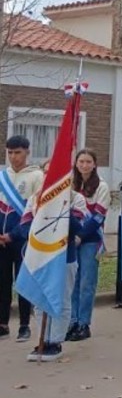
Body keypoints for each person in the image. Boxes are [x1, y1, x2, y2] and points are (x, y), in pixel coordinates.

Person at [10, 161, 86, 362]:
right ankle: (42, 338)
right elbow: (24, 226)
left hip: (64, 257)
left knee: (61, 297)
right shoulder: (35, 199)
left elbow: (79, 227)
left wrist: (62, 206)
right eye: (46, 173)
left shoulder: (76, 199)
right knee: (40, 298)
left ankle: (56, 341)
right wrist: (38, 235)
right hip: (39, 257)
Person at [0, 135, 43, 341]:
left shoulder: (36, 176)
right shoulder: (2, 176)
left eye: (17, 152)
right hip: (1, 239)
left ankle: (24, 325)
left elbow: (35, 212)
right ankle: (2, 323)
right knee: (2, 281)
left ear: (27, 152)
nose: (13, 157)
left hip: (22, 238)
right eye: (10, 153)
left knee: (23, 281)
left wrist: (13, 234)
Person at [67, 149, 110, 342]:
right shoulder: (70, 185)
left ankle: (84, 323)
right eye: (81, 161)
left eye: (88, 162)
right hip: (70, 238)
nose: (84, 165)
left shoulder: (101, 186)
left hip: (91, 239)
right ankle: (72, 321)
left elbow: (98, 216)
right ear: (76, 164)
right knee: (73, 282)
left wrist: (81, 236)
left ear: (94, 164)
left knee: (87, 283)